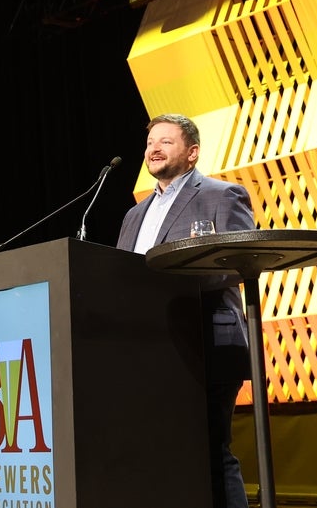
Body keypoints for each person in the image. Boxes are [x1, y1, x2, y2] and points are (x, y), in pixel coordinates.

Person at [116, 113, 254, 508]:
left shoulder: (221, 195)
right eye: (150, 143)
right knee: (161, 452)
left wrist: (167, 283)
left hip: (206, 340)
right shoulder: (134, 215)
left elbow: (235, 264)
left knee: (211, 449)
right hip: (148, 348)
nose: (153, 149)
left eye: (166, 142)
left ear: (191, 153)